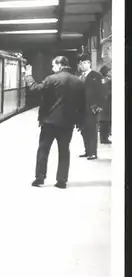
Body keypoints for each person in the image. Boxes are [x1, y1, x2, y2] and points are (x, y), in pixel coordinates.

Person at [22, 56, 85, 189]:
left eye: (53, 65)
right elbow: (82, 104)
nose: (52, 68)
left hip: (49, 122)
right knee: (64, 150)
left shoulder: (51, 79)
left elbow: (34, 88)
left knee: (43, 149)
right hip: (67, 123)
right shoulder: (78, 81)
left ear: (60, 65)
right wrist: (80, 121)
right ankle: (61, 181)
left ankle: (40, 177)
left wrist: (28, 76)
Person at [77, 53, 105, 159]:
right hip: (81, 109)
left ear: (89, 63)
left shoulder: (96, 76)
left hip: (92, 108)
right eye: (81, 63)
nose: (82, 65)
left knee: (92, 130)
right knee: (84, 130)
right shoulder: (80, 77)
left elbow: (103, 92)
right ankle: (87, 151)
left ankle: (93, 152)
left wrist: (99, 105)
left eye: (84, 63)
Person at [98, 65, 112, 144]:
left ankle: (103, 138)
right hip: (107, 103)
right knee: (106, 121)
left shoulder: (99, 80)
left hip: (102, 103)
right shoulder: (108, 81)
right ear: (106, 72)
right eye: (109, 71)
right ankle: (104, 138)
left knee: (103, 121)